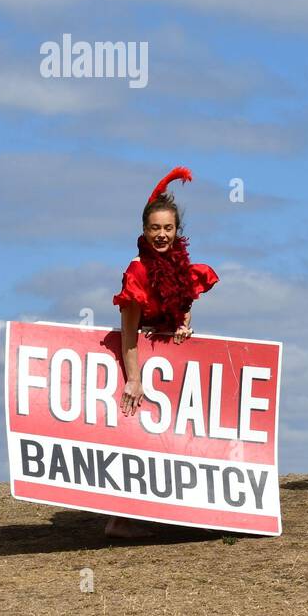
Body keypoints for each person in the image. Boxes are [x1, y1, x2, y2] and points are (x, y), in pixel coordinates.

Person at [110, 166, 219, 538]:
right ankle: (119, 520)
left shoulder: (182, 269)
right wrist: (134, 379)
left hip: (169, 368)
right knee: (132, 441)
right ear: (144, 231)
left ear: (177, 232)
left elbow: (184, 303)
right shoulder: (137, 273)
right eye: (154, 228)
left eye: (167, 228)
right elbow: (128, 333)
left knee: (173, 439)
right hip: (139, 366)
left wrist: (184, 325)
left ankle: (171, 514)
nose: (161, 235)